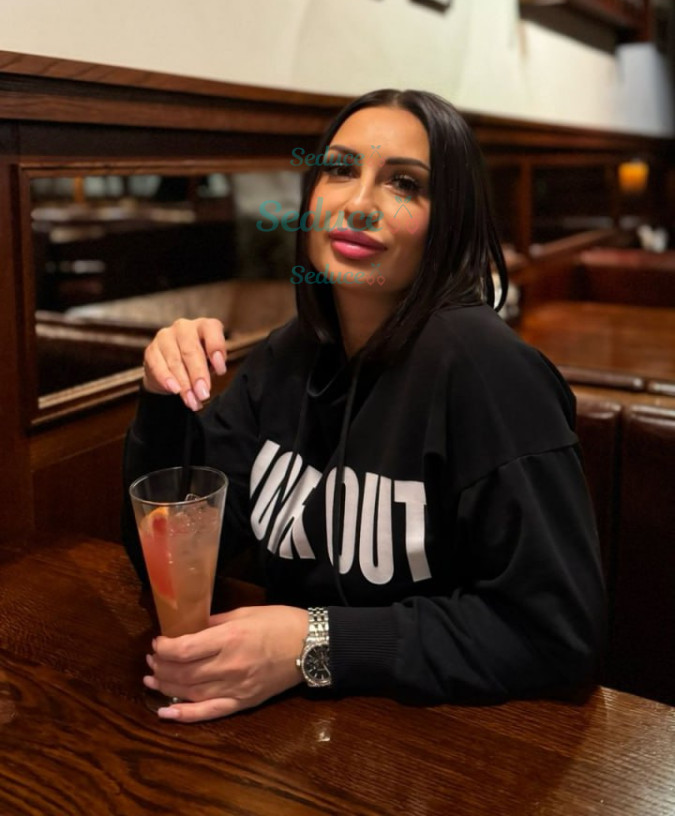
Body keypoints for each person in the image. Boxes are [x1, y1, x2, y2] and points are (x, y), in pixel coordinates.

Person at [122, 89, 605, 724]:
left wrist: (313, 646)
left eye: (404, 183)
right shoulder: (284, 357)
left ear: (450, 219)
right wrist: (163, 403)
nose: (358, 204)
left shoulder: (493, 374)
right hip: (283, 731)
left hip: (442, 742)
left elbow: (556, 634)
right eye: (340, 170)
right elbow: (176, 556)